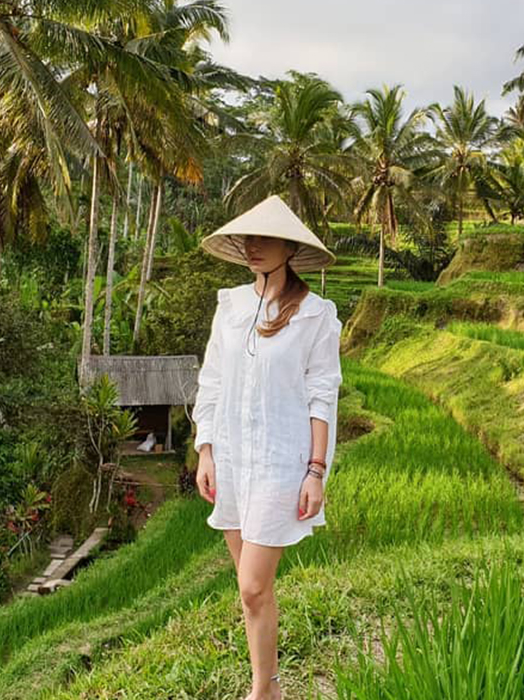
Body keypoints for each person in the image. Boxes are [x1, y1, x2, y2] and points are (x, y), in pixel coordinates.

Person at [191, 195, 342, 700]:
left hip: (283, 461)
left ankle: (264, 688)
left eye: (265, 238)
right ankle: (267, 686)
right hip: (231, 460)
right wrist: (205, 450)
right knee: (249, 590)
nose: (254, 246)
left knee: (254, 584)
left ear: (290, 247)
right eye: (248, 238)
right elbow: (210, 382)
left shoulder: (317, 315)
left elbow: (323, 395)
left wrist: (316, 470)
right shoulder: (229, 307)